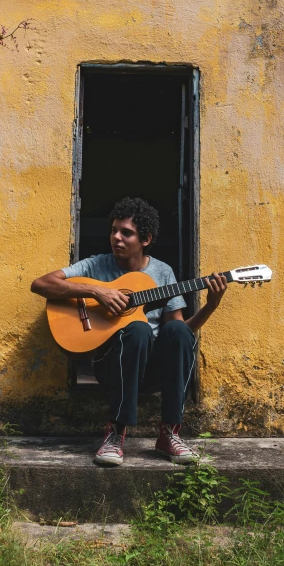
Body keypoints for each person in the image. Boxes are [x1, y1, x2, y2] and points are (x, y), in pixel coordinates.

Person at [31, 197, 227, 466]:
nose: (116, 238)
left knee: (178, 331)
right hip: (113, 367)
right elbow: (41, 284)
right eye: (113, 230)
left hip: (152, 371)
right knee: (137, 329)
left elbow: (181, 331)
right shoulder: (96, 266)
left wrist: (211, 306)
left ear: (145, 239)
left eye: (126, 233)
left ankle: (170, 433)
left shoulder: (162, 272)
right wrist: (95, 290)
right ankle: (115, 432)